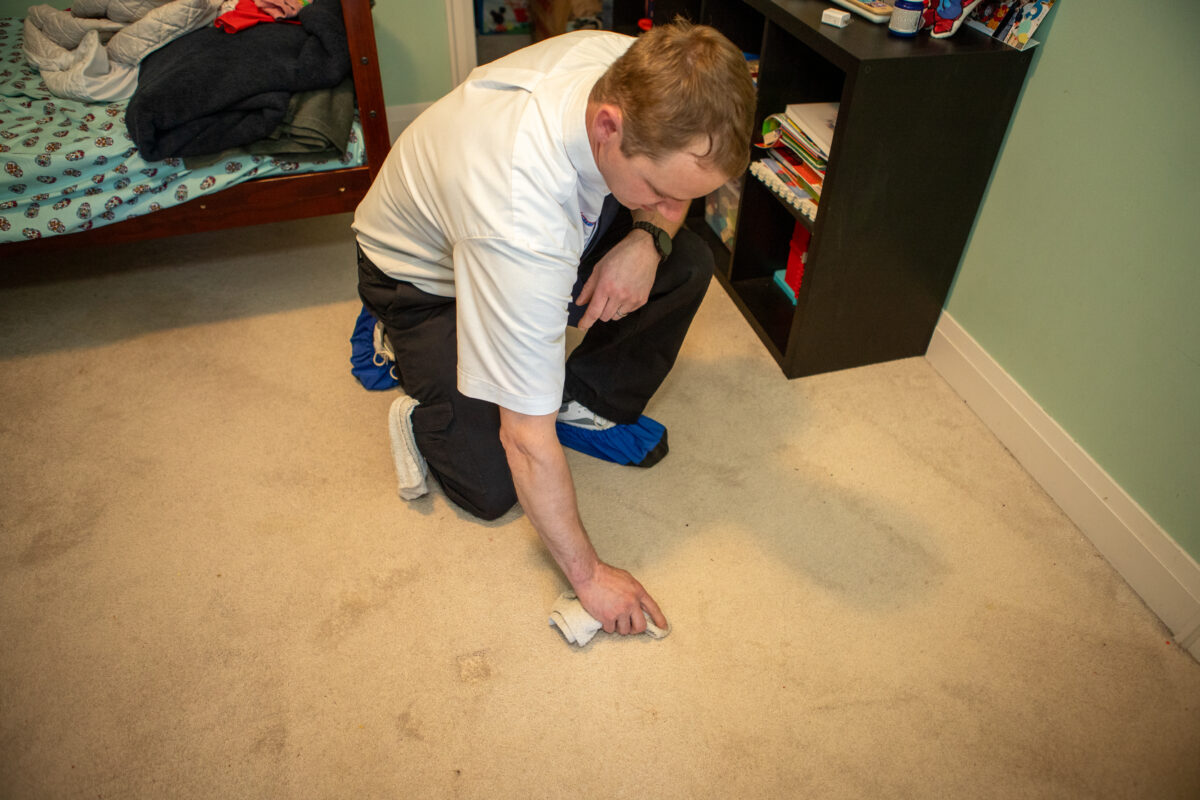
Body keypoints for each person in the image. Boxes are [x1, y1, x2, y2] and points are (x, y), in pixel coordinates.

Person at [353, 20, 755, 637]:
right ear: (608, 127)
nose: (669, 204)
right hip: (420, 281)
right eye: (657, 190)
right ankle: (394, 341)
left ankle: (580, 399)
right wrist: (589, 576)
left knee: (685, 261)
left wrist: (648, 238)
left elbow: (669, 199)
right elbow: (524, 440)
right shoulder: (519, 215)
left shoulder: (643, 71)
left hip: (511, 234)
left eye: (682, 193)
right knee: (490, 487)